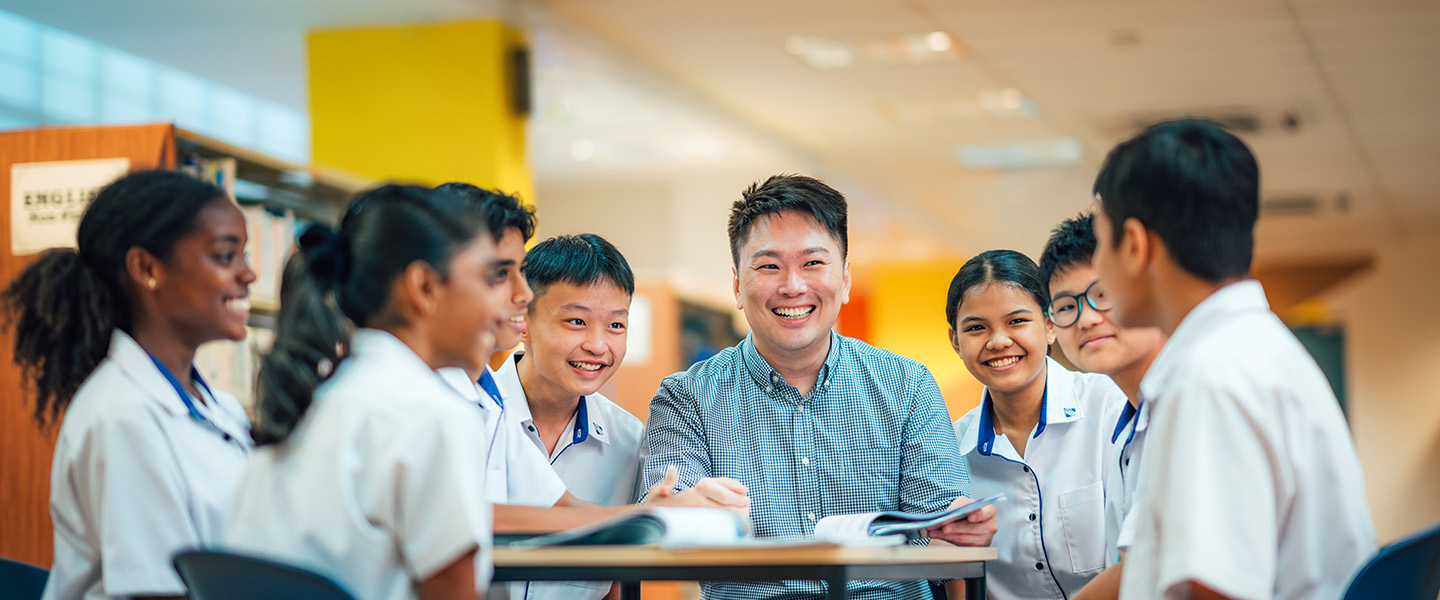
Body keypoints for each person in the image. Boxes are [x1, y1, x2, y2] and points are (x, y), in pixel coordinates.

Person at [640, 173, 998, 600]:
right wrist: (678, 512)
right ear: (737, 284)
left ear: (845, 279)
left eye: (813, 263)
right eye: (769, 265)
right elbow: (670, 525)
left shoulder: (908, 385)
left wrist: (960, 529)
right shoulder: (686, 397)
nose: (793, 286)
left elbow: (942, 537)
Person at [1089, 118, 1376, 599]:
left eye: (1099, 242)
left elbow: (1220, 591)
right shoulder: (1257, 349)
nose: (1096, 266)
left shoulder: (1209, 377)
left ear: (1136, 246)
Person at [226, 185, 508, 600]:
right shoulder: (431, 413)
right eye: (490, 278)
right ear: (424, 287)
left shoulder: (310, 394)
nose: (501, 307)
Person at [430, 184, 749, 539]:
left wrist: (651, 514)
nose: (518, 295)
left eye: (616, 325)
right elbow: (472, 522)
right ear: (427, 281)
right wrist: (646, 515)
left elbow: (562, 509)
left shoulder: (487, 400)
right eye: (500, 274)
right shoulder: (437, 395)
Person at [1, 170, 255, 600]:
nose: (249, 275)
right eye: (225, 257)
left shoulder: (220, 410)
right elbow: (158, 592)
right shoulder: (121, 416)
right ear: (146, 268)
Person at [947, 249, 1128, 600]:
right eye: (976, 328)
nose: (998, 341)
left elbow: (1140, 554)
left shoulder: (1108, 405)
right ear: (955, 340)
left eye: (1016, 321)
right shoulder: (951, 449)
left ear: (1050, 325)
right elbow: (958, 572)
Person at [493, 233, 647, 600]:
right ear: (523, 321)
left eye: (616, 325)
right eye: (576, 322)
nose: (597, 345)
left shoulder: (629, 440)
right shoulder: (474, 415)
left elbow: (617, 581)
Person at [1037, 213, 1165, 600]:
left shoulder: (1188, 398)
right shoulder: (1132, 423)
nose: (1087, 319)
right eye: (1065, 306)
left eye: (1103, 294)